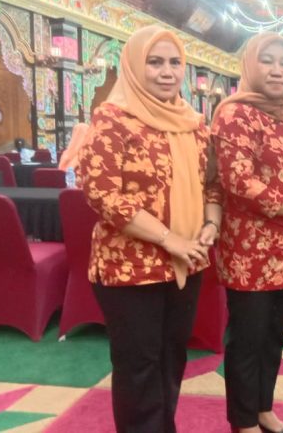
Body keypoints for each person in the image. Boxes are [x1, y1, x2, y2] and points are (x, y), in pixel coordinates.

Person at [78, 25, 222, 432]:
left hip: (186, 262)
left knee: (171, 358)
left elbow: (212, 184)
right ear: (133, 66)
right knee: (138, 366)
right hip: (130, 267)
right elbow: (102, 193)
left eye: (175, 62)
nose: (166, 72)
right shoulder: (112, 119)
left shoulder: (195, 125)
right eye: (154, 62)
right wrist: (168, 238)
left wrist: (210, 223)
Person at [210, 32, 283, 433]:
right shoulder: (234, 115)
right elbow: (239, 181)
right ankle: (243, 422)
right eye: (267, 61)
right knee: (248, 339)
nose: (277, 70)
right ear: (250, 65)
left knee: (275, 335)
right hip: (249, 250)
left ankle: (263, 410)